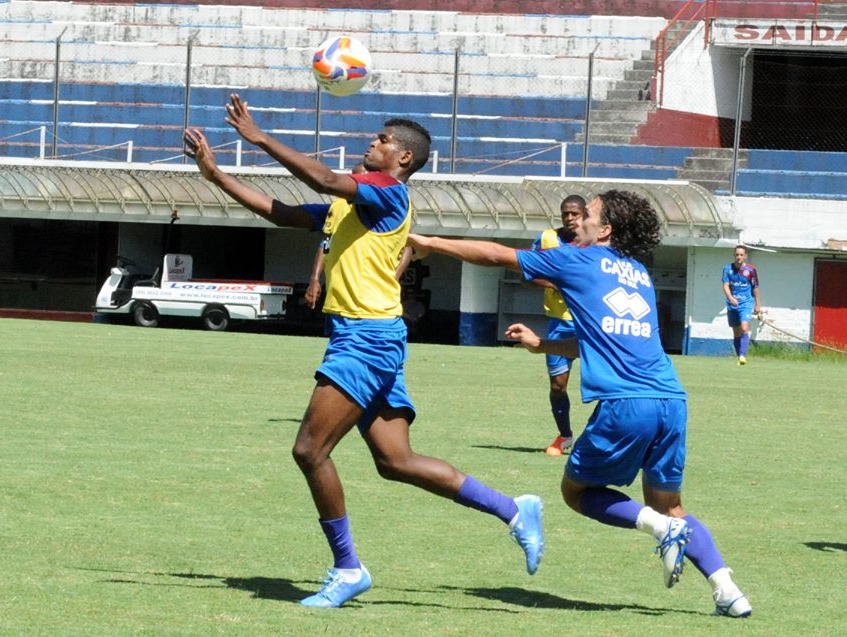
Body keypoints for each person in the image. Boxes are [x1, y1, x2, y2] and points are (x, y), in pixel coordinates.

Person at [183, 94, 543, 609]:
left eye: (382, 140)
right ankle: (514, 509)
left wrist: (259, 138)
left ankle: (348, 568)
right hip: (372, 337)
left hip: (367, 339)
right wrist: (215, 175)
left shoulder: (389, 193)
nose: (372, 143)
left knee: (310, 450)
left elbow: (327, 178)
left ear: (404, 160)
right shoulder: (349, 206)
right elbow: (282, 213)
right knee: (396, 461)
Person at [407, 190, 751, 618]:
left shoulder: (576, 259)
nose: (577, 222)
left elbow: (497, 255)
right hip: (670, 400)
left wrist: (432, 243)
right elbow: (603, 337)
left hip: (628, 404)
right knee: (671, 503)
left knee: (576, 492)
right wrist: (542, 346)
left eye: (586, 215)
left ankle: (662, 529)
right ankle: (728, 591)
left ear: (604, 229)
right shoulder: (638, 272)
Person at [530, 195, 585, 457]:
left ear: (584, 214)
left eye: (575, 213)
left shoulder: (593, 241)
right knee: (557, 386)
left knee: (606, 383)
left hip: (590, 324)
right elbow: (529, 271)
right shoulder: (547, 239)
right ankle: (565, 436)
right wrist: (553, 283)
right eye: (566, 214)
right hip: (558, 324)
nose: (570, 218)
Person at [722, 245, 761, 365]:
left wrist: (757, 304)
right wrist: (730, 297)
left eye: (741, 255)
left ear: (745, 256)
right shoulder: (727, 269)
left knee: (744, 328)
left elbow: (755, 288)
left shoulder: (751, 270)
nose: (739, 257)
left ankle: (743, 355)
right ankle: (740, 355)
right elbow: (726, 285)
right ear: (734, 255)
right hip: (732, 304)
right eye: (737, 255)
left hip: (746, 303)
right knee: (736, 331)